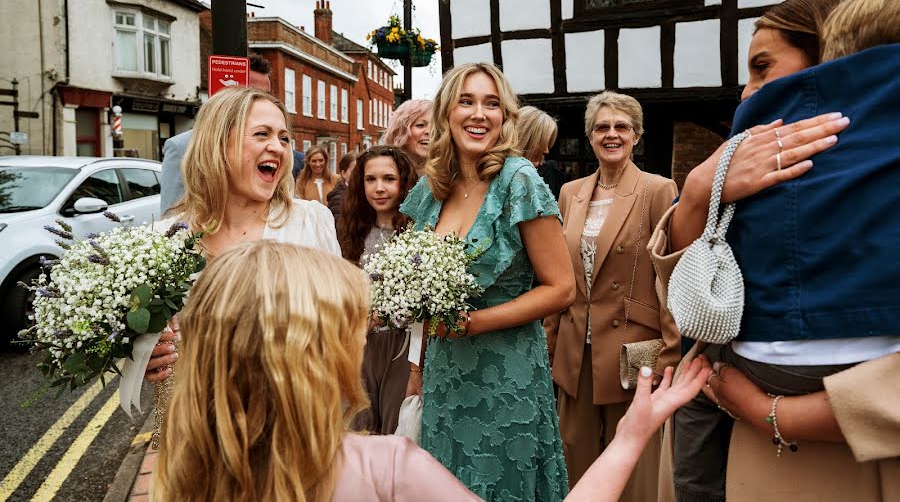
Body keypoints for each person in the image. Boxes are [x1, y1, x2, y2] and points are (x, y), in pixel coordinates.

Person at [152, 240, 713, 502]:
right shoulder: (384, 469)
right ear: (314, 360)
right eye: (354, 329)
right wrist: (633, 434)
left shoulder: (187, 476)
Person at [652, 0, 900, 502]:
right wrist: (699, 192)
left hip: (855, 455)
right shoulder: (747, 159)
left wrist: (775, 412)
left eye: (762, 68)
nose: (746, 92)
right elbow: (691, 302)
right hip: (748, 449)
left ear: (832, 59)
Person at [399, 62, 576, 500]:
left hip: (506, 374)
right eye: (467, 101)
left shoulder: (519, 181)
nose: (479, 114)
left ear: (504, 117)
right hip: (444, 371)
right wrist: (418, 367)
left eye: (491, 104)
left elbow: (562, 288)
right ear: (446, 114)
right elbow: (420, 287)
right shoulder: (432, 187)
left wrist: (476, 323)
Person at [144, 87, 340, 383]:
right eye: (262, 134)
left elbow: (341, 330)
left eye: (284, 138)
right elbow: (142, 339)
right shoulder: (165, 239)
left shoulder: (310, 222)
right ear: (218, 144)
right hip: (192, 417)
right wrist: (145, 355)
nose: (278, 147)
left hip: (288, 415)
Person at [542, 91, 679, 497]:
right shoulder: (570, 192)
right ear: (590, 136)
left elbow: (667, 275)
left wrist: (670, 354)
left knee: (635, 463)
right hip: (574, 348)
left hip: (632, 349)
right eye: (602, 127)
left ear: (637, 135)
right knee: (575, 461)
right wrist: (549, 342)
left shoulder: (657, 189)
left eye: (622, 127)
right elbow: (559, 273)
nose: (612, 134)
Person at [338, 146, 418, 434]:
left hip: (403, 346)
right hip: (359, 345)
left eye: (389, 179)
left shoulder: (418, 232)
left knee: (396, 432)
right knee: (359, 431)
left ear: (404, 183)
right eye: (370, 179)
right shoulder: (350, 230)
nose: (379, 188)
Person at [160, 53, 272, 216]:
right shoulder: (183, 146)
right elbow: (171, 216)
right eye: (254, 94)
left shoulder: (276, 145)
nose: (264, 102)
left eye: (267, 95)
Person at [381, 98, 432, 175]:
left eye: (436, 127)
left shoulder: (449, 177)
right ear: (400, 131)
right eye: (420, 125)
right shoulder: (380, 171)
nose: (429, 131)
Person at [326, 152, 357, 226]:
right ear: (344, 173)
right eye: (354, 172)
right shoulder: (338, 199)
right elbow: (340, 230)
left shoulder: (362, 193)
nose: (359, 175)